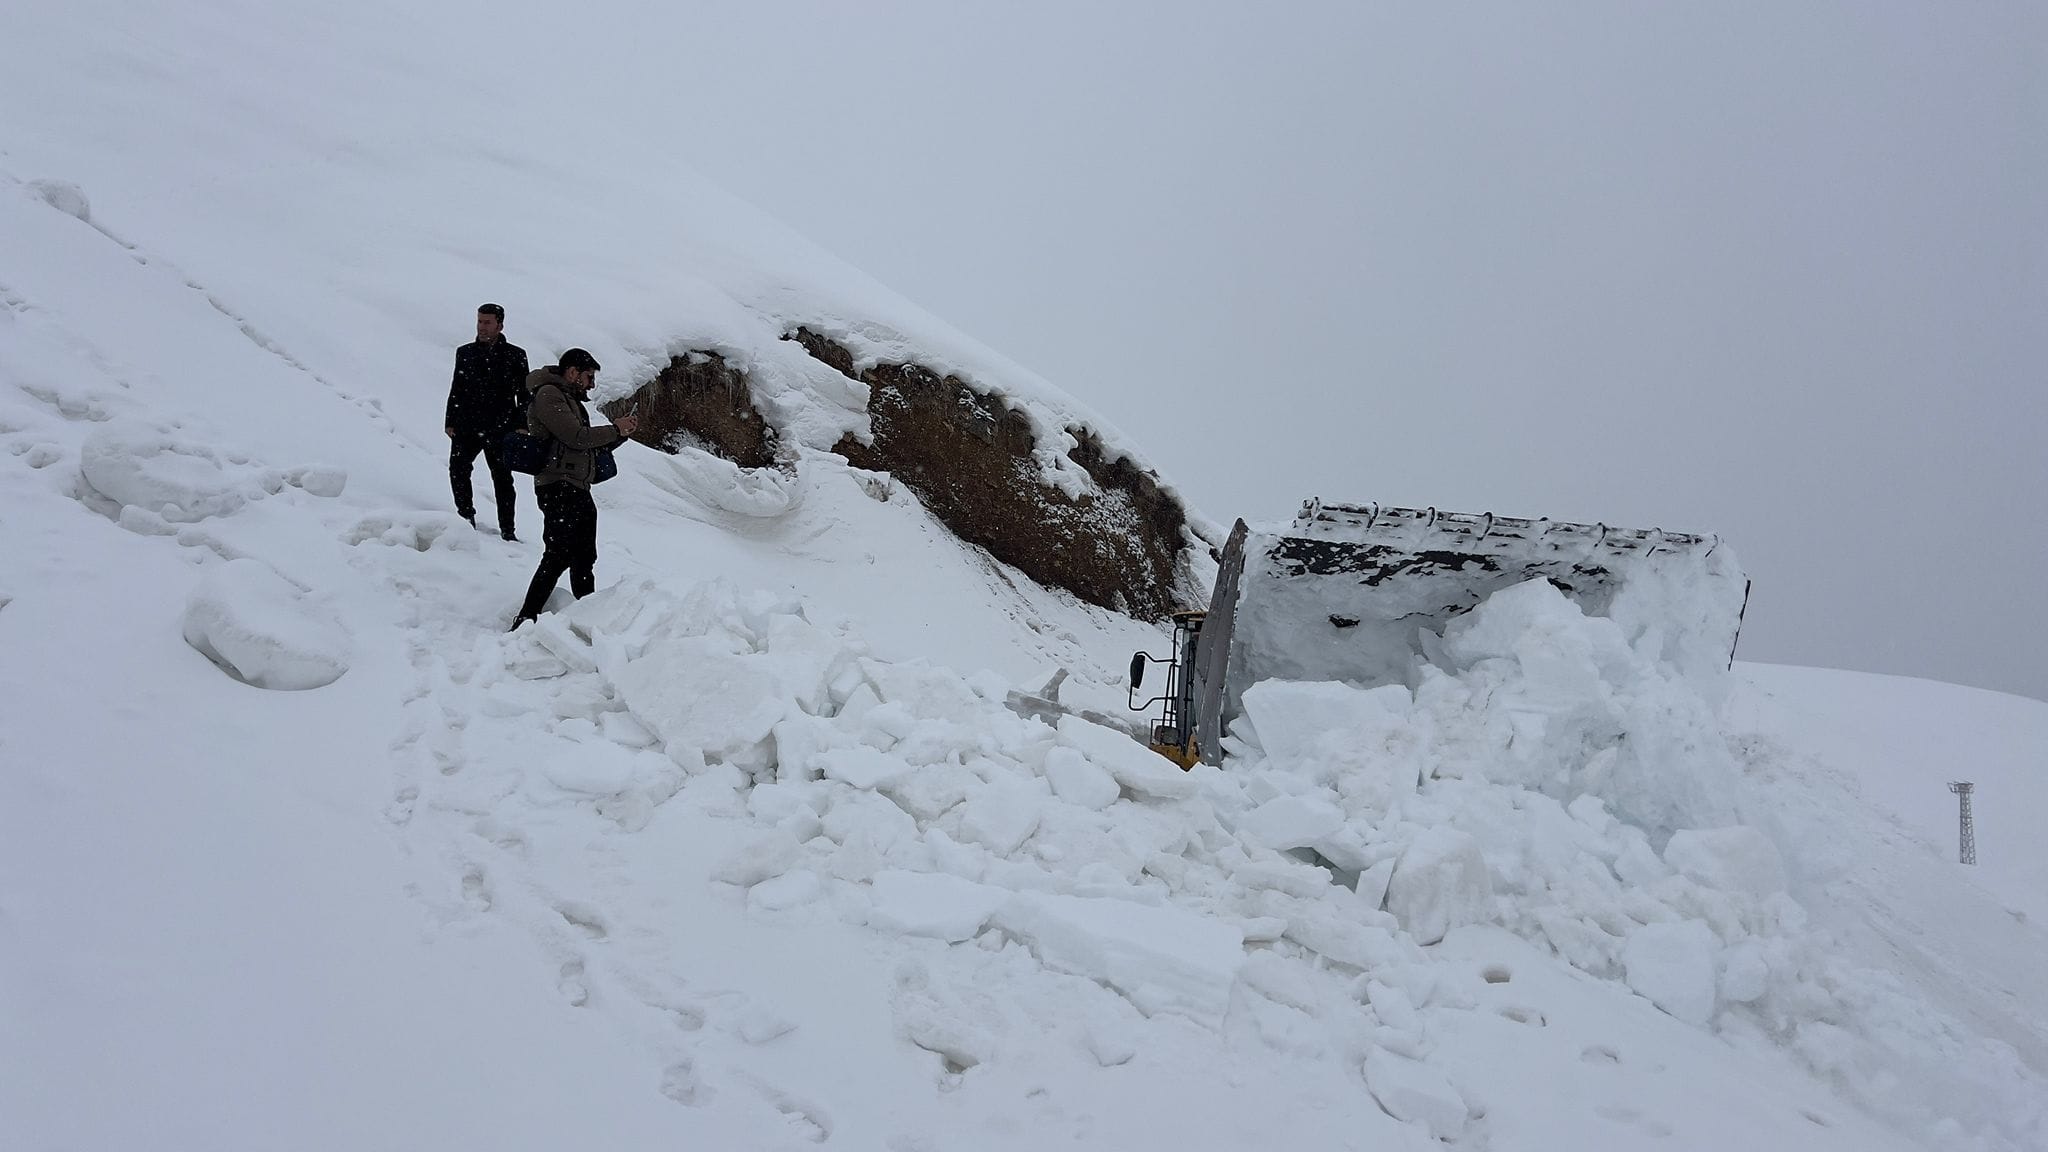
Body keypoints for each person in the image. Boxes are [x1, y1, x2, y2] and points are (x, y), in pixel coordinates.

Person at [511, 349, 639, 628]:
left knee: (583, 557)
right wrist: (614, 430)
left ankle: (586, 619)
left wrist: (620, 434)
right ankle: (525, 619)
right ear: (572, 373)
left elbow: (581, 445)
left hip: (576, 487)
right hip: (558, 486)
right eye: (589, 377)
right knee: (558, 555)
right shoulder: (549, 394)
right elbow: (576, 437)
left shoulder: (568, 399)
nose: (591, 384)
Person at [444, 303, 530, 540]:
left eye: (487, 322)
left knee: (502, 479)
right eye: (479, 321)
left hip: (501, 427)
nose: (482, 327)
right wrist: (450, 420)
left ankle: (508, 530)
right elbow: (457, 388)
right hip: (467, 424)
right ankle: (465, 517)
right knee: (458, 470)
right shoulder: (465, 352)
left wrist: (522, 424)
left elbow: (524, 395)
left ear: (499, 325)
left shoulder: (515, 355)